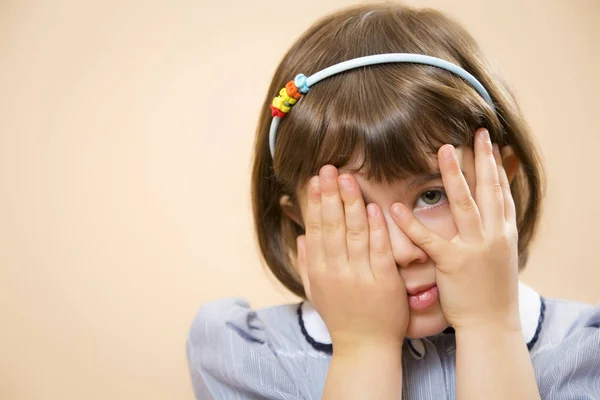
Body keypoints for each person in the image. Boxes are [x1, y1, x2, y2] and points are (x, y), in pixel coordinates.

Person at [186, 3, 600, 399]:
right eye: (354, 213)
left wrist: (489, 327)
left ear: (501, 181)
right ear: (300, 222)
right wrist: (363, 350)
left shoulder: (583, 351)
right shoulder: (251, 358)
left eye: (431, 195)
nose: (402, 251)